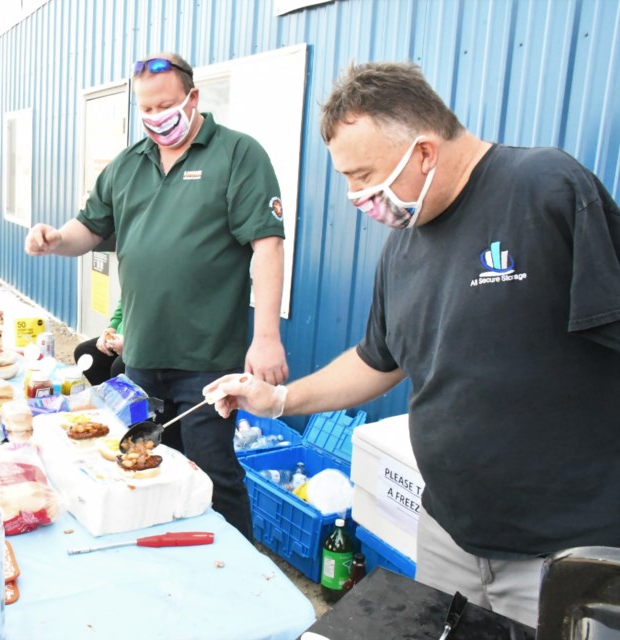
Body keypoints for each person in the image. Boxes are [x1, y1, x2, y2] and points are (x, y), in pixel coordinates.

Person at [205, 61, 620, 626]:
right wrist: (279, 400)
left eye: (364, 175)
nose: (357, 196)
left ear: (424, 152)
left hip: (561, 550)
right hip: (450, 533)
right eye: (347, 179)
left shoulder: (545, 189)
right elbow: (378, 360)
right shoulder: (402, 247)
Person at [25, 53, 289, 539]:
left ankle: (236, 577)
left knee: (213, 473)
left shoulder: (237, 154)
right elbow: (89, 227)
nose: (156, 118)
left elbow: (267, 245)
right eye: (145, 109)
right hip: (142, 354)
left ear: (192, 98)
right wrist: (56, 240)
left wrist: (267, 336)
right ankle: (167, 563)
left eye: (165, 105)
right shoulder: (128, 164)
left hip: (207, 357)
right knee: (144, 468)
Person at [73, 299, 126, 386]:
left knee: (118, 367)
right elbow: (122, 307)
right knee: (84, 351)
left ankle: (120, 396)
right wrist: (108, 331)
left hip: (140, 343)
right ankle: (108, 395)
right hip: (119, 338)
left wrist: (128, 344)